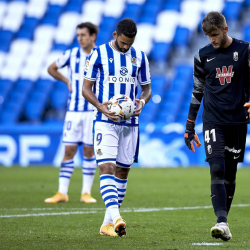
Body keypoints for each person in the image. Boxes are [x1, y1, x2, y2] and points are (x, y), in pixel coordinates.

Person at [184, 12, 250, 241]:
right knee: (217, 167)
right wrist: (190, 125)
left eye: (215, 34)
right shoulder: (202, 56)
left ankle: (224, 222)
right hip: (212, 120)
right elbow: (197, 91)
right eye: (208, 36)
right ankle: (221, 221)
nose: (212, 39)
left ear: (225, 29)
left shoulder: (245, 49)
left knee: (230, 173)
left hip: (238, 120)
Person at [82, 18, 152, 237]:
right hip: (105, 121)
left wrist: (141, 102)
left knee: (123, 171)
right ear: (115, 35)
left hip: (130, 123)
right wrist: (101, 107)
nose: (126, 47)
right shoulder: (98, 54)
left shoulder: (139, 56)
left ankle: (106, 224)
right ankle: (117, 216)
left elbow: (147, 89)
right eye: (123, 42)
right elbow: (86, 88)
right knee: (106, 168)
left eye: (129, 43)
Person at [45, 22, 99, 204]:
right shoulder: (71, 54)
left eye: (83, 35)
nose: (80, 38)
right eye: (78, 35)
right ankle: (62, 192)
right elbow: (51, 68)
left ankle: (86, 192)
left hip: (92, 111)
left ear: (93, 36)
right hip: (73, 111)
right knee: (69, 149)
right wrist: (66, 80)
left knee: (89, 150)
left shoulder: (101, 55)